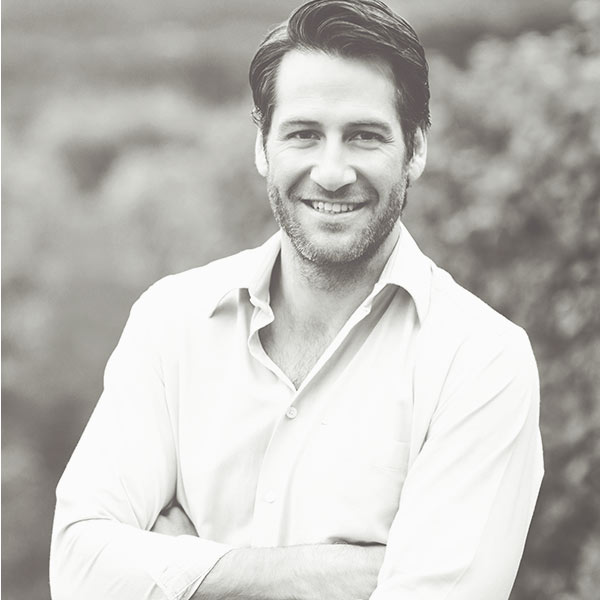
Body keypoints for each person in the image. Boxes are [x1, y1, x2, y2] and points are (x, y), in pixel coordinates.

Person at [50, 1, 544, 599]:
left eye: (364, 136)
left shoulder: (482, 362)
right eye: (304, 134)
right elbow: (78, 569)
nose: (331, 172)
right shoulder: (171, 321)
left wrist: (187, 573)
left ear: (415, 149)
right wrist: (327, 575)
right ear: (263, 146)